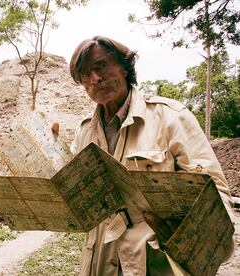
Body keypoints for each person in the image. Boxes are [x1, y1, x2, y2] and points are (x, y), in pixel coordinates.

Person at [68, 36, 234, 275]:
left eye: (101, 66)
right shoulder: (85, 131)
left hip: (155, 260)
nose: (95, 78)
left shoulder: (171, 117)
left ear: (125, 66)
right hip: (99, 260)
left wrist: (194, 237)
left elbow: (214, 189)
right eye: (85, 74)